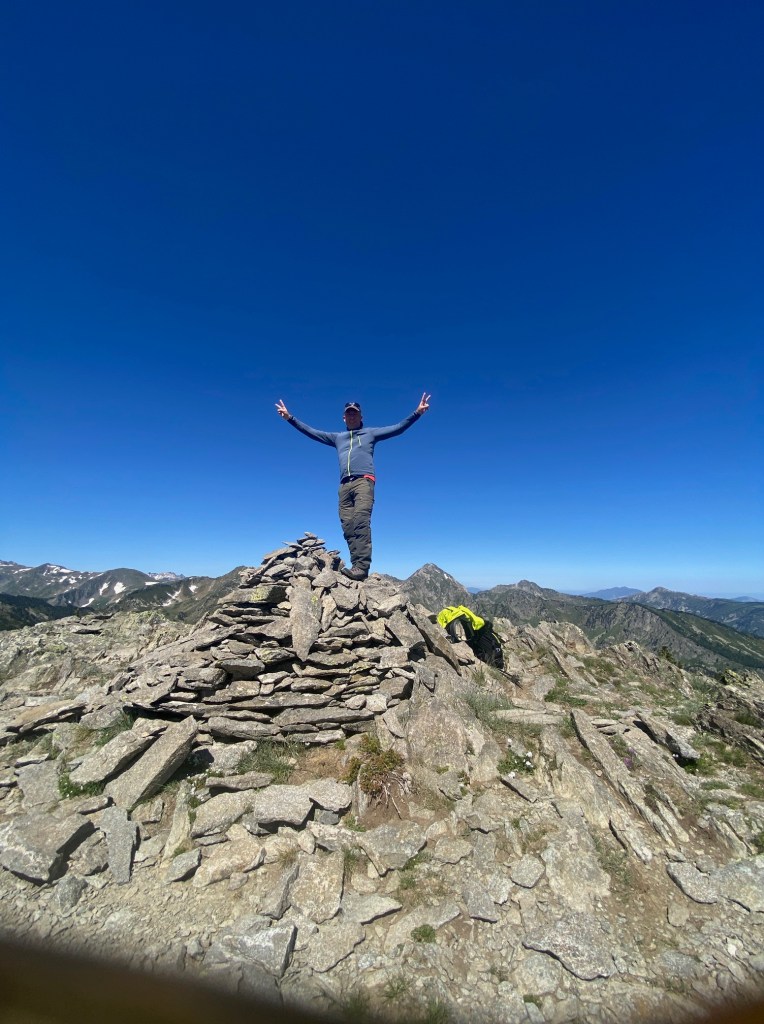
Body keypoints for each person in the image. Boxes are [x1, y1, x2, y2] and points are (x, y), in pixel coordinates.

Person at [275, 394, 431, 580]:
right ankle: (355, 565)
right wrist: (290, 418)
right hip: (344, 486)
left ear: (360, 417)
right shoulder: (337, 438)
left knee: (360, 521)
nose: (351, 416)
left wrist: (417, 413)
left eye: (355, 414)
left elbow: (397, 428)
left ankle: (362, 567)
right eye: (348, 414)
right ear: (344, 417)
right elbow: (312, 432)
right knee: (348, 526)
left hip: (363, 481)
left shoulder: (370, 434)